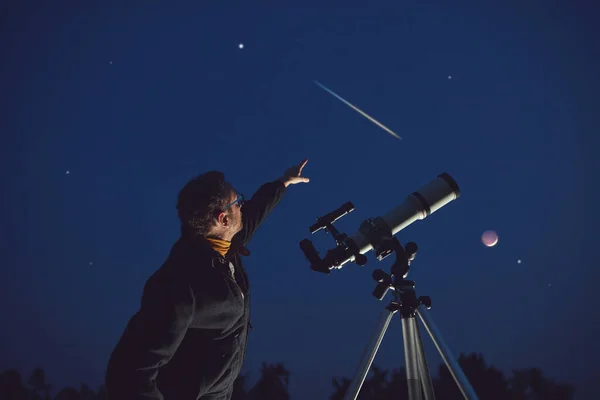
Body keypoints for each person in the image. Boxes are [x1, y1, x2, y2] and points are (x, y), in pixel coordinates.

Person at [105, 159, 310, 400]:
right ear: (223, 219)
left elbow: (255, 212)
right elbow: (128, 373)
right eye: (238, 203)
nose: (242, 207)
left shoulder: (223, 245)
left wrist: (283, 182)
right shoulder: (180, 281)